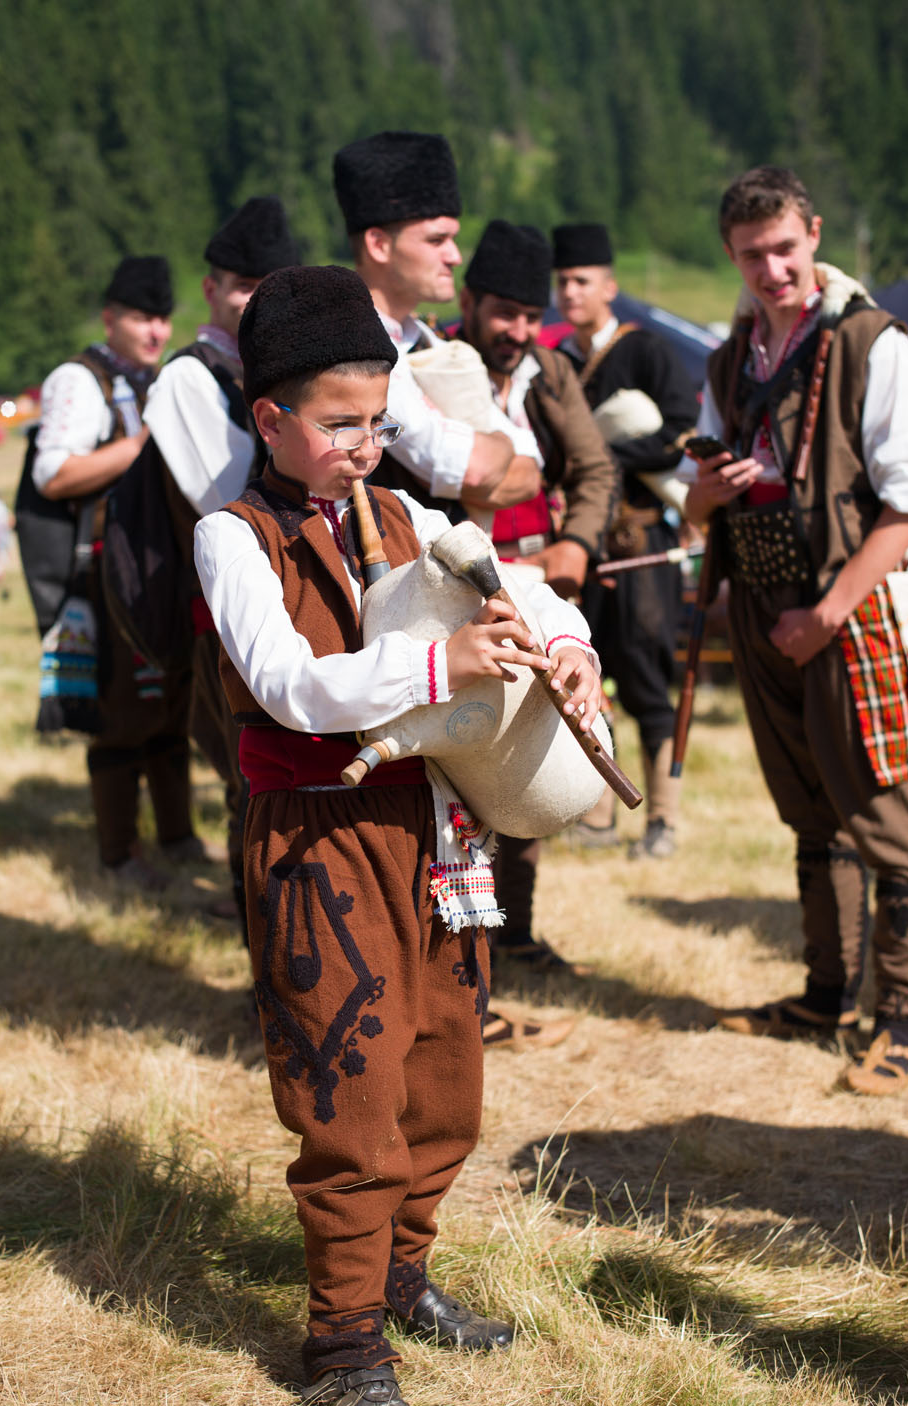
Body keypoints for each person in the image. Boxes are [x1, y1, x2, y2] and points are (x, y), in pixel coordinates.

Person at [194, 264, 603, 1406]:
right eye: (338, 425)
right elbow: (288, 686)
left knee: (444, 1074)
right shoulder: (234, 537)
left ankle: (401, 1277)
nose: (366, 446)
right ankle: (342, 1342)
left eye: (377, 421)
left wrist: (565, 643)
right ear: (269, 417)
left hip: (428, 833)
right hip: (316, 840)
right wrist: (440, 670)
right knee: (350, 1086)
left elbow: (511, 581)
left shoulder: (403, 514)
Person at [682, 165, 908, 1096]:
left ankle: (901, 1020)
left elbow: (903, 513)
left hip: (846, 612)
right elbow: (694, 511)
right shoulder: (730, 360)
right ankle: (826, 993)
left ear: (813, 233)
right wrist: (704, 495)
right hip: (762, 611)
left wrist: (825, 614)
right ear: (730, 256)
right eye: (752, 255)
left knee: (888, 821)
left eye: (785, 248)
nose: (772, 269)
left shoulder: (873, 343)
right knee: (808, 816)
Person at [457, 218, 617, 979]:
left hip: (547, 595)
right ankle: (461, 940)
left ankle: (512, 929)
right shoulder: (437, 368)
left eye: (529, 315)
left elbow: (593, 471)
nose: (517, 330)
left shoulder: (550, 377)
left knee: (534, 757)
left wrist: (577, 551)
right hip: (466, 596)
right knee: (463, 759)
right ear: (471, 302)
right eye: (503, 314)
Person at [143, 196, 300, 936]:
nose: (254, 301)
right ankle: (265, 973)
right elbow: (231, 505)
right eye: (241, 286)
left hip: (279, 615)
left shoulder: (271, 372)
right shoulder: (189, 378)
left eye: (269, 288)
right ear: (211, 288)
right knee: (253, 789)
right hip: (222, 624)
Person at [34, 255, 202, 889]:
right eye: (140, 318)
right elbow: (52, 475)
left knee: (172, 705)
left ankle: (178, 837)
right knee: (123, 711)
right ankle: (118, 854)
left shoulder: (151, 379)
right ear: (110, 317)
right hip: (108, 571)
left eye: (161, 318)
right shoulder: (79, 381)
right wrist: (138, 445)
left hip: (155, 566)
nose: (155, 331)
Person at [553, 222, 699, 856]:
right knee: (590, 674)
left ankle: (661, 819)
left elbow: (681, 435)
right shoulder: (557, 363)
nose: (569, 291)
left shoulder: (648, 352)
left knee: (644, 676)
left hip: (643, 547)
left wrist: (604, 452)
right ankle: (598, 814)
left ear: (609, 286)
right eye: (562, 281)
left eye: (581, 280)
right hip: (587, 548)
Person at [333, 130, 545, 521]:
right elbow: (471, 469)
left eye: (454, 239)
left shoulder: (429, 340)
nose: (455, 256)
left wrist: (486, 458)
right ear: (379, 244)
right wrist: (499, 448)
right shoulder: (349, 348)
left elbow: (531, 468)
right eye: (436, 240)